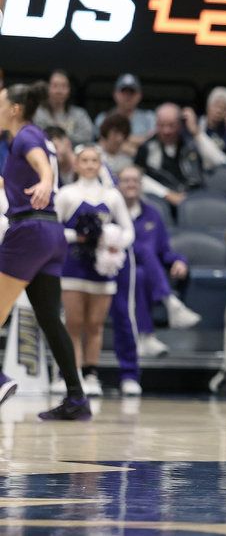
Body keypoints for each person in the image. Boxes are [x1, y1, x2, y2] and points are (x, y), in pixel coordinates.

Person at [0, 81, 92, 420]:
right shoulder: (30, 137)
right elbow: (18, 179)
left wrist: (45, 180)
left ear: (14, 109)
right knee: (51, 320)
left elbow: (42, 166)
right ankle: (77, 399)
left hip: (29, 230)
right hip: (51, 232)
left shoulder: (25, 136)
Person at [54, 144, 134, 397]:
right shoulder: (66, 194)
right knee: (74, 323)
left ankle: (91, 373)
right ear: (76, 164)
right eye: (84, 160)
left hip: (102, 269)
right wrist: (77, 237)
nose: (89, 165)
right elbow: (53, 230)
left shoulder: (112, 196)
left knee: (96, 325)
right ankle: (70, 373)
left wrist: (114, 243)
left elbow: (129, 230)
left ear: (101, 164)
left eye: (94, 160)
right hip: (73, 268)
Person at [109, 165, 194, 392]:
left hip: (143, 276)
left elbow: (164, 250)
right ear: (117, 185)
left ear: (142, 184)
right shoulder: (109, 212)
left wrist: (179, 260)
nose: (131, 185)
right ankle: (170, 303)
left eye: (135, 180)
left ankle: (146, 337)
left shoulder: (152, 213)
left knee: (141, 272)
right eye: (126, 180)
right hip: (113, 272)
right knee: (143, 251)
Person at [93, 74, 157, 157]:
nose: (127, 96)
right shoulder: (104, 117)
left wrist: (117, 141)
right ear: (115, 94)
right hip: (111, 163)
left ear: (139, 95)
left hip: (142, 164)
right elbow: (103, 143)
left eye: (131, 92)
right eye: (123, 92)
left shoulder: (150, 117)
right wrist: (138, 142)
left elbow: (152, 142)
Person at [33, 70, 95, 146]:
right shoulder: (39, 113)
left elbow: (88, 136)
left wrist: (59, 139)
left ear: (69, 90)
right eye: (55, 86)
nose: (59, 91)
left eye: (64, 86)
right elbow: (39, 136)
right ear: (48, 88)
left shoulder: (80, 114)